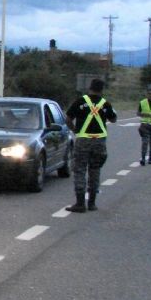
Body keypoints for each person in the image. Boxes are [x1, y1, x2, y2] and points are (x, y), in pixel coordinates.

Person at [65, 79, 117, 213]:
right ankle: (92, 203)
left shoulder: (80, 101)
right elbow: (113, 119)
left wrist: (75, 130)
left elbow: (68, 118)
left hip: (83, 139)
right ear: (102, 90)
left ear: (90, 88)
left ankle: (80, 203)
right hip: (99, 141)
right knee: (95, 169)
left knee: (80, 170)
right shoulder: (105, 104)